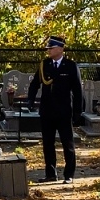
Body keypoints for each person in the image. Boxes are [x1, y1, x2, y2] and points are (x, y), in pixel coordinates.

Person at [27, 36, 85, 183]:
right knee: (48, 143)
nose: (49, 51)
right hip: (47, 111)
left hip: (64, 111)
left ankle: (69, 174)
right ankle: (50, 173)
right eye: (48, 48)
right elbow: (35, 84)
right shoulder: (44, 65)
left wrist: (78, 111)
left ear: (60, 49)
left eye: (51, 48)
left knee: (67, 144)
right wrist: (30, 100)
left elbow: (78, 90)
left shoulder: (70, 66)